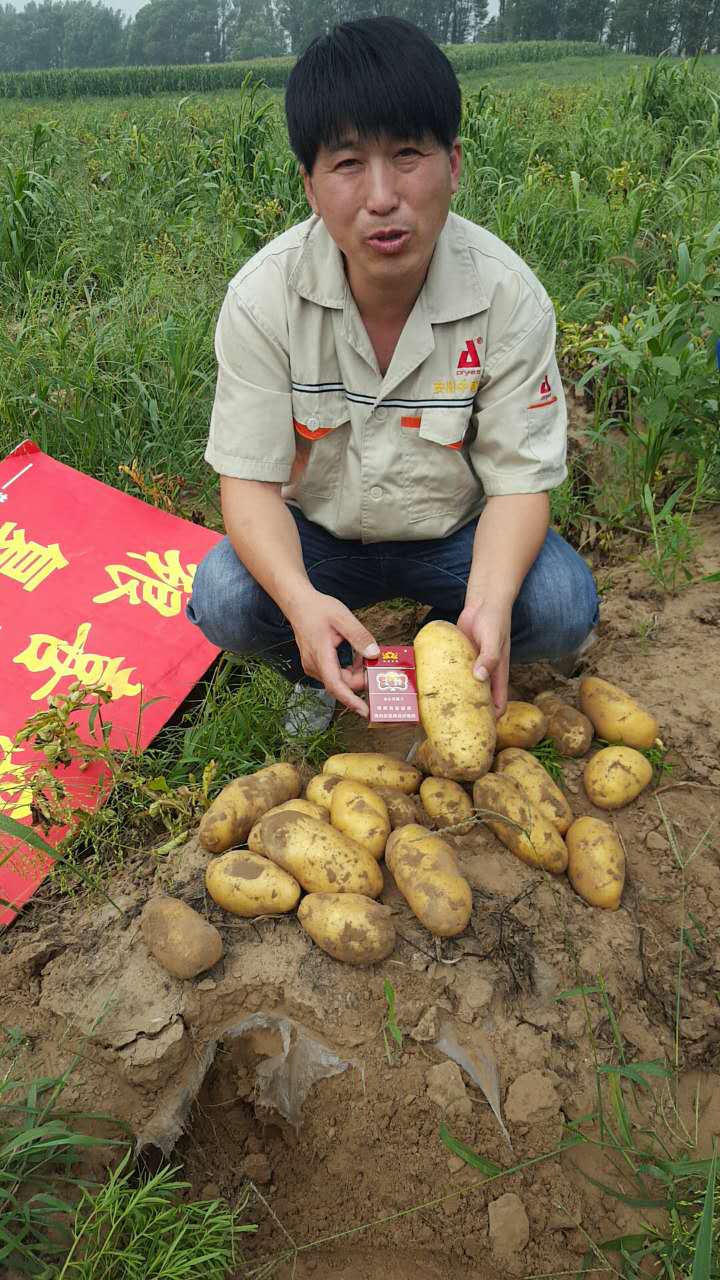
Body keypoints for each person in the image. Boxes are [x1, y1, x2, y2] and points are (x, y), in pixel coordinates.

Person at [187, 17, 598, 734]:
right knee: (225, 595)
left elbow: (519, 482)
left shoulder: (508, 297)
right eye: (348, 163)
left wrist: (491, 600)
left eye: (408, 154)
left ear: (454, 165)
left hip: (455, 535)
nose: (382, 196)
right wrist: (300, 603)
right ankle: (321, 664)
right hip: (321, 537)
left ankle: (451, 642)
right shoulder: (263, 298)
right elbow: (248, 486)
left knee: (561, 604)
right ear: (310, 185)